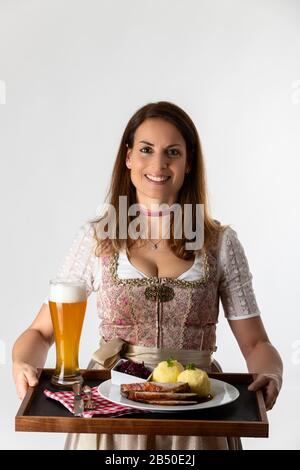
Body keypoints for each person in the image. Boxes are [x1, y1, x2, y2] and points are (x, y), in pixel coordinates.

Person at [12, 101, 283, 450]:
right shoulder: (97, 239)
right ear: (128, 158)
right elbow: (40, 331)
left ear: (188, 164)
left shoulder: (220, 243)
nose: (158, 164)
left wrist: (272, 373)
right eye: (146, 150)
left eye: (172, 152)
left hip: (196, 406)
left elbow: (256, 344)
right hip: (111, 403)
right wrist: (22, 362)